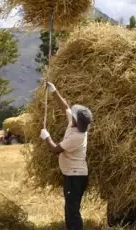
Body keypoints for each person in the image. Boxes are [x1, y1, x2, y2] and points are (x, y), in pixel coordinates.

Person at [40, 82, 93, 230]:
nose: (72, 116)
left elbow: (56, 150)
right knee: (70, 209)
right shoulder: (75, 124)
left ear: (77, 121)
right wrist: (54, 91)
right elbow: (66, 108)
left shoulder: (78, 136)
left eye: (74, 117)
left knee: (72, 211)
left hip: (75, 177)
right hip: (73, 175)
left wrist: (46, 137)